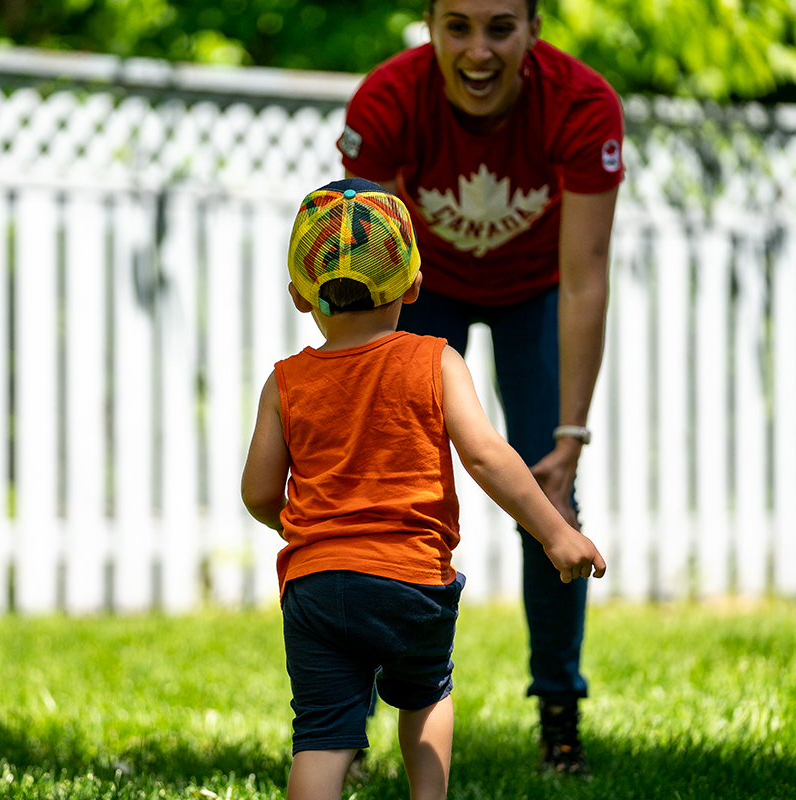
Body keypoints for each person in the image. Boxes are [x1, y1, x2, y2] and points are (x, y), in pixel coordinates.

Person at [240, 177, 606, 800]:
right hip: (410, 581)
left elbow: (256, 491)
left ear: (301, 297)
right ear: (413, 283)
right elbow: (488, 456)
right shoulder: (435, 360)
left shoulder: (285, 383)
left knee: (324, 735)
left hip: (316, 585)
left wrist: (299, 527)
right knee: (427, 690)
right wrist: (556, 531)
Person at [337, 0, 623, 777]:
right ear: (428, 25)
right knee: (377, 497)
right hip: (422, 287)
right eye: (457, 26)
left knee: (549, 497)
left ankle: (560, 715)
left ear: (534, 29)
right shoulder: (387, 102)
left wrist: (570, 437)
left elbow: (586, 275)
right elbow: (368, 270)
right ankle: (346, 724)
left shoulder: (583, 104)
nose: (477, 50)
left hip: (538, 291)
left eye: (500, 27)